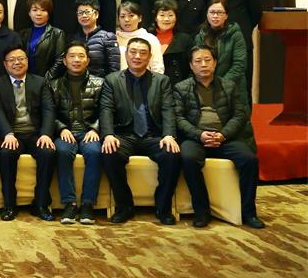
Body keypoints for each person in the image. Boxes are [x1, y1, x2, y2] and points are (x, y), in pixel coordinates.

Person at [175, 45, 264, 229]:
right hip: (196, 138)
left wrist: (223, 135)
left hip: (225, 138)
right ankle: (201, 211)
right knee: (188, 158)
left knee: (249, 160)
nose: (203, 64)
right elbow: (178, 118)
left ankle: (248, 212)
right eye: (198, 61)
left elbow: (239, 115)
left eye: (207, 60)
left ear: (215, 63)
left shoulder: (229, 86)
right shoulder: (181, 88)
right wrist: (199, 135)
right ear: (191, 65)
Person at [99, 37, 181, 224]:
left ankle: (163, 208)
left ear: (150, 57)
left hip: (153, 135)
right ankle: (124, 206)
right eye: (133, 52)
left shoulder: (162, 81)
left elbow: (168, 109)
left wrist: (169, 135)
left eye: (143, 53)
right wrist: (108, 134)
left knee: (172, 155)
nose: (137, 56)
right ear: (126, 55)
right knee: (109, 153)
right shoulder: (112, 80)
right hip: (125, 135)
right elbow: (106, 109)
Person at [0, 45, 57, 221]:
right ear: (5, 64)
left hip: (35, 133)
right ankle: (9, 205)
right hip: (11, 134)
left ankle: (40, 204)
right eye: (12, 60)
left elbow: (49, 110)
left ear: (27, 61)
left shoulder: (40, 82)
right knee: (6, 153)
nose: (17, 63)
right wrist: (8, 133)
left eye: (21, 59)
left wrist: (46, 134)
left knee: (48, 152)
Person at [51, 42, 104, 225]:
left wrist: (95, 128)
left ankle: (88, 204)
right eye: (72, 56)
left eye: (81, 56)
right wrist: (61, 128)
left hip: (89, 132)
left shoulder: (100, 83)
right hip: (65, 132)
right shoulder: (54, 85)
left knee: (95, 152)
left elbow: (106, 110)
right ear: (65, 61)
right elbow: (49, 113)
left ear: (87, 60)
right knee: (62, 151)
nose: (76, 60)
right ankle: (70, 203)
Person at [203, 0, 261, 97]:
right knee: (213, 86)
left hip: (241, 40)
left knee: (243, 84)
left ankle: (245, 113)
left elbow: (256, 12)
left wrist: (243, 28)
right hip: (212, 42)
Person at [192, 0, 248, 89]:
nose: (215, 16)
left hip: (232, 87)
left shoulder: (236, 34)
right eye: (212, 12)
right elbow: (197, 63)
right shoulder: (200, 36)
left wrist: (221, 84)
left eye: (219, 13)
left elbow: (239, 65)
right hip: (206, 86)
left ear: (226, 16)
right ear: (207, 14)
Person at [19, 0, 67, 80]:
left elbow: (60, 60)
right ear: (29, 13)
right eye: (34, 10)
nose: (38, 13)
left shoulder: (57, 33)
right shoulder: (23, 34)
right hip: (26, 80)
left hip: (48, 81)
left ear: (49, 13)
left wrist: (45, 79)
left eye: (43, 10)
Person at [71, 0, 120, 77]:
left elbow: (114, 70)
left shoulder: (108, 37)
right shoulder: (73, 38)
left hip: (101, 83)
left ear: (96, 14)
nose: (84, 15)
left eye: (87, 12)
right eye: (80, 12)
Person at [151, 0, 195, 87]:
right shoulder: (147, 37)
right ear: (155, 18)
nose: (166, 19)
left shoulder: (185, 39)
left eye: (170, 15)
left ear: (176, 17)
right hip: (152, 85)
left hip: (178, 86)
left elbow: (192, 67)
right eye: (162, 15)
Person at [115, 2, 165, 74]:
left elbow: (157, 66)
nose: (126, 19)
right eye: (122, 16)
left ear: (140, 18)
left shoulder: (150, 38)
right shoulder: (113, 39)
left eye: (131, 15)